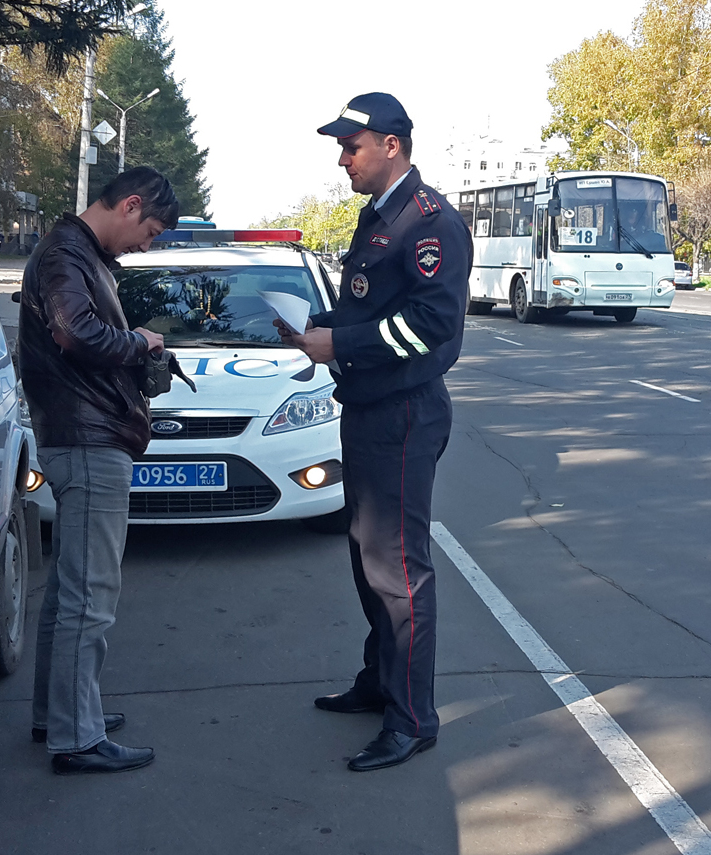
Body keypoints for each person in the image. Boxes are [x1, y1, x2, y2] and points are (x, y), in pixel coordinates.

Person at [279, 93, 472, 772]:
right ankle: (379, 680)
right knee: (367, 559)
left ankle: (413, 717)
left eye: (351, 145)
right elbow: (369, 304)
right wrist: (319, 331)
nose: (342, 158)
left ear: (391, 145)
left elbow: (430, 326)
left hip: (404, 413)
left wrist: (343, 343)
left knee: (399, 570)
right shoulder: (380, 217)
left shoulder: (430, 223)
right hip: (367, 409)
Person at [17, 166, 179, 775]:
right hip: (88, 442)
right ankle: (77, 738)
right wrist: (140, 342)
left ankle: (57, 715)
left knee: (68, 594)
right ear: (130, 205)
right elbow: (76, 333)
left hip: (80, 436)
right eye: (151, 230)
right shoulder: (67, 254)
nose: (147, 244)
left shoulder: (72, 251)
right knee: (91, 598)